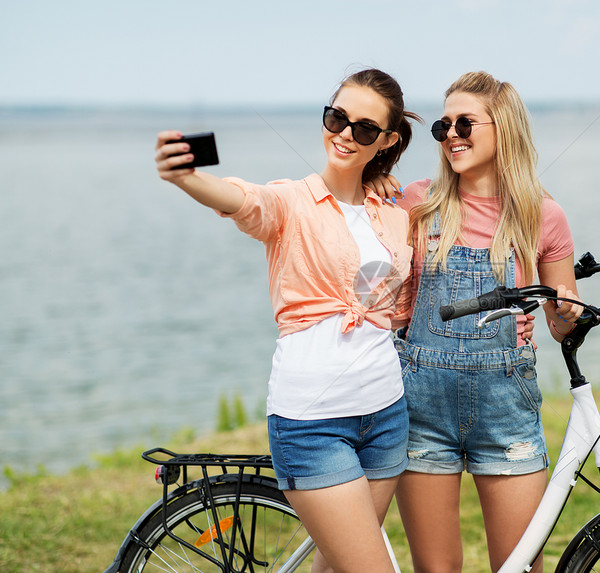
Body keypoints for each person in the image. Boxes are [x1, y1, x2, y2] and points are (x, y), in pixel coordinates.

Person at [154, 68, 420, 573]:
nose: (345, 134)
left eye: (364, 129)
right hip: (312, 424)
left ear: (385, 141)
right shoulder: (292, 202)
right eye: (338, 117)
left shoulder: (393, 211)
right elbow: (244, 200)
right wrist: (188, 178)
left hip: (387, 416)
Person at [369, 71, 583, 573]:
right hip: (422, 408)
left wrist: (566, 310)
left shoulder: (542, 215)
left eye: (465, 123)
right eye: (442, 127)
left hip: (505, 411)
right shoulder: (416, 201)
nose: (451, 136)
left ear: (503, 127)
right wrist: (372, 182)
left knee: (519, 567)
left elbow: (558, 326)